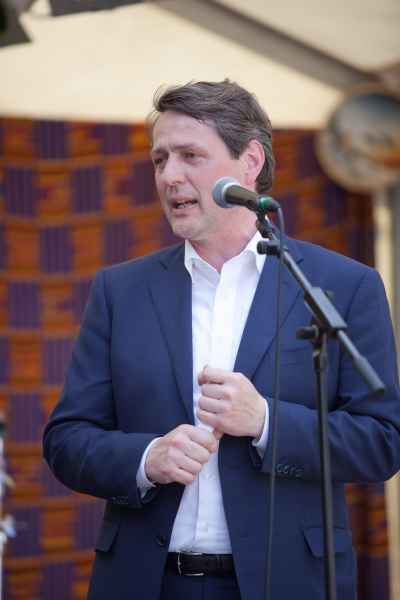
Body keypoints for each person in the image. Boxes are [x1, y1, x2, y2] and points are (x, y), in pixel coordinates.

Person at [43, 80, 400, 600]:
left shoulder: (342, 286)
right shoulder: (120, 290)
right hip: (146, 583)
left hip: (287, 584)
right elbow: (66, 439)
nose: (169, 176)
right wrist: (147, 458)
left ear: (249, 162)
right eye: (160, 159)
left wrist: (266, 422)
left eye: (190, 155)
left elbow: (383, 442)